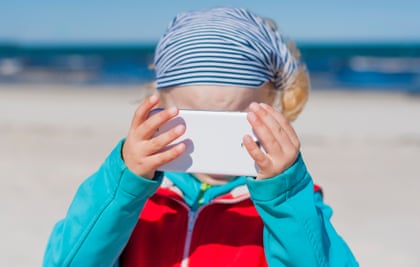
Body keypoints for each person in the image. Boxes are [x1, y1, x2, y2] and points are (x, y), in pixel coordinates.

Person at [43, 6, 358, 267]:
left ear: (272, 105)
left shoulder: (287, 203)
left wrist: (285, 196)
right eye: (197, 121)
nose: (217, 141)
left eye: (238, 121)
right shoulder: (136, 201)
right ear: (160, 105)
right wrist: (124, 183)